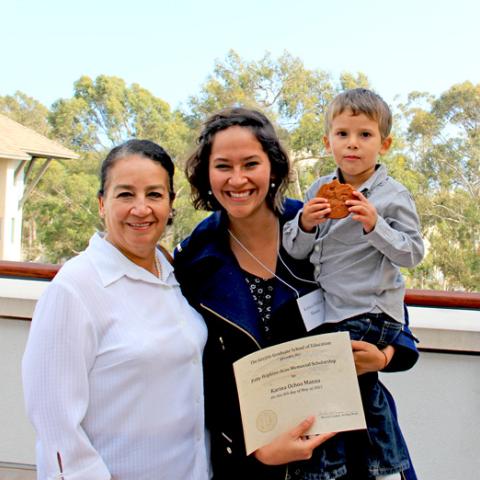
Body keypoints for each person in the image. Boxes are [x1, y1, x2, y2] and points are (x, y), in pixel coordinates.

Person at [174, 107, 419, 480]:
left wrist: (385, 356)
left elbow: (385, 293)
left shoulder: (320, 220)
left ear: (273, 167)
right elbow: (198, 376)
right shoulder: (195, 258)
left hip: (350, 451)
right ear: (206, 174)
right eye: (223, 166)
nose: (238, 179)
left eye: (251, 163)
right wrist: (254, 449)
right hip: (257, 462)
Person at [22, 140, 210, 480]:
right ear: (101, 203)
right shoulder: (75, 289)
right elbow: (54, 421)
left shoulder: (173, 272)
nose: (141, 209)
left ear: (170, 203)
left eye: (154, 194)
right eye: (125, 195)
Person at [283, 88, 424, 479]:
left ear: (385, 143)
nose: (353, 144)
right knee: (343, 390)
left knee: (337, 385)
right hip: (332, 311)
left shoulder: (394, 196)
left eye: (365, 135)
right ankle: (359, 464)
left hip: (372, 312)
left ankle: (374, 466)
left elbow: (412, 253)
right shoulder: (316, 190)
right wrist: (307, 222)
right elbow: (294, 250)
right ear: (328, 141)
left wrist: (375, 225)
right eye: (343, 134)